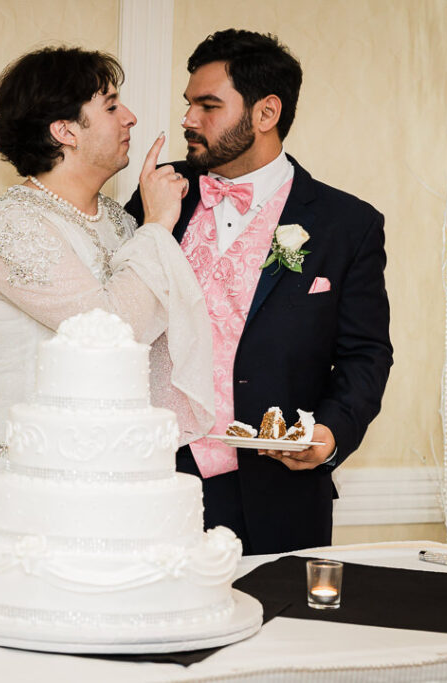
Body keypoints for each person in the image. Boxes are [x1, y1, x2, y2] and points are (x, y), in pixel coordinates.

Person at [125, 29, 393, 555]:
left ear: (266, 113)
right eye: (188, 105)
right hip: (149, 482)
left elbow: (366, 354)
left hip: (276, 493)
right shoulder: (158, 195)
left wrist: (332, 433)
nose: (188, 120)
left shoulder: (347, 224)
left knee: (280, 634)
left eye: (208, 105)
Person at [0, 46, 215, 499]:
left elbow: (153, 342)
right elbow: (109, 331)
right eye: (112, 105)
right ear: (65, 131)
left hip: (116, 465)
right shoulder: (13, 224)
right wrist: (159, 224)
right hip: (34, 475)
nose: (131, 118)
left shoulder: (120, 223)